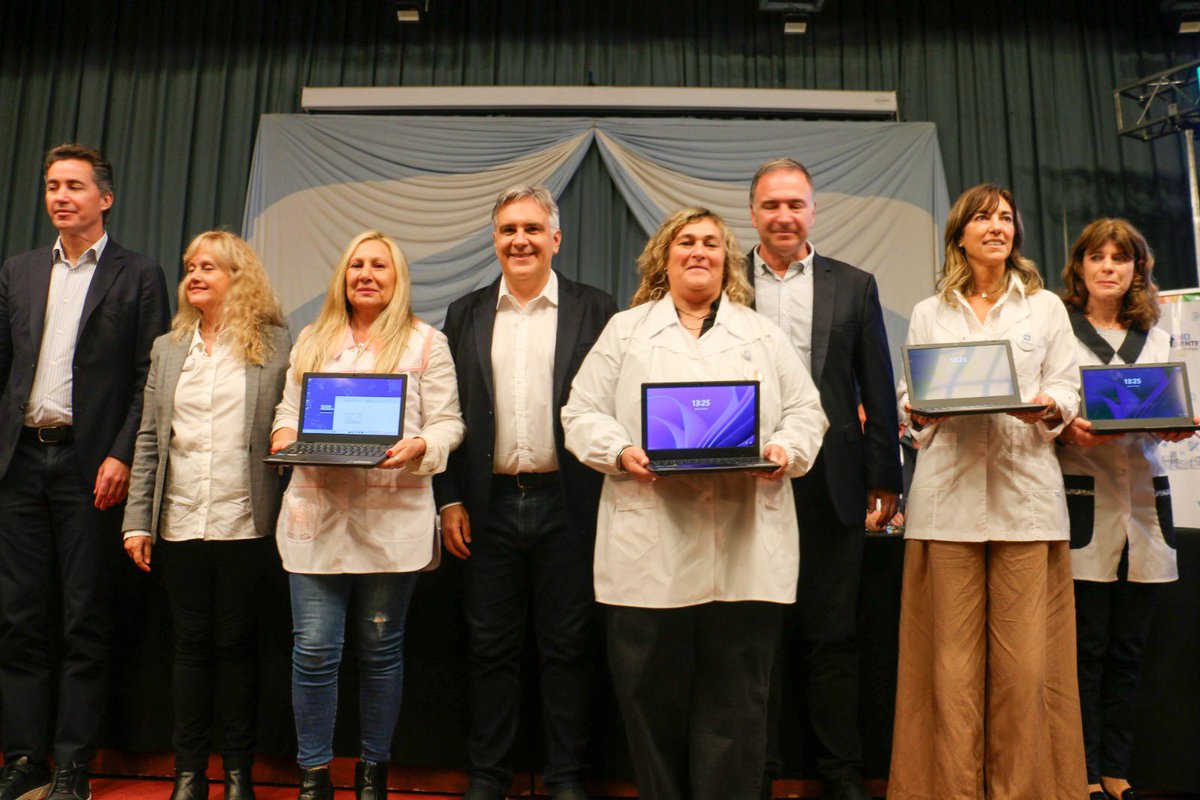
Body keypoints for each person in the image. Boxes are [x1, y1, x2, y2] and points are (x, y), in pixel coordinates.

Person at [561, 207, 828, 800]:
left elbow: (807, 412)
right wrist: (622, 449)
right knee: (649, 699)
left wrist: (784, 449)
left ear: (726, 258)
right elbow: (580, 413)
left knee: (737, 705)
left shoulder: (762, 333)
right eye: (686, 241)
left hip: (743, 548)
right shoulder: (625, 331)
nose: (698, 251)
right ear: (665, 255)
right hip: (648, 546)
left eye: (711, 242)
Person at [888, 184, 1087, 799]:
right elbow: (908, 395)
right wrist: (917, 413)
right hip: (946, 506)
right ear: (961, 234)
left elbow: (1068, 386)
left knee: (1026, 670)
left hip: (1026, 503)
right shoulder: (930, 311)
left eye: (1005, 218)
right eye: (983, 217)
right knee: (949, 670)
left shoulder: (1046, 308)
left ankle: (1024, 791)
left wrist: (1050, 405)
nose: (996, 226)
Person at [433, 185, 617, 800]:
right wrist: (449, 498)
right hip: (486, 506)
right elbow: (444, 409)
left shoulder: (597, 310)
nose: (520, 240)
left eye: (533, 229)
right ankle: (489, 776)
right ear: (494, 239)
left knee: (568, 648)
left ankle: (566, 777)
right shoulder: (465, 313)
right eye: (509, 229)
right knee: (488, 648)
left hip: (571, 502)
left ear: (555, 239)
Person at [0, 144, 170, 800]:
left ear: (106, 198)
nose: (60, 196)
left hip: (87, 467)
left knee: (83, 620)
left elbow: (146, 379)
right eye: (51, 185)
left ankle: (73, 765)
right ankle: (24, 759)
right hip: (20, 466)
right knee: (18, 619)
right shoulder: (17, 272)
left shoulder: (139, 275)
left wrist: (122, 452)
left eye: (74, 185)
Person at [269, 231, 464, 800]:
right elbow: (287, 409)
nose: (366, 274)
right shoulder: (312, 338)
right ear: (343, 276)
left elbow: (449, 421)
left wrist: (422, 445)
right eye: (357, 264)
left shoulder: (427, 342)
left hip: (393, 509)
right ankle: (313, 775)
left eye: (380, 265)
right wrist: (285, 437)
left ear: (397, 277)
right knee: (313, 650)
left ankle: (373, 774)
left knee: (380, 651)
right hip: (317, 509)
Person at [745, 157, 902, 800]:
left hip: (833, 483)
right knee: (758, 639)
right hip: (747, 479)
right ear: (753, 211)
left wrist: (884, 476)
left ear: (813, 210)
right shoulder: (726, 281)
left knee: (832, 637)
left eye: (795, 204)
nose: (784, 216)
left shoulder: (854, 284)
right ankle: (758, 773)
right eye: (771, 205)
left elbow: (876, 388)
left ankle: (840, 776)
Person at [121, 231, 291, 800]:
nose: (194, 276)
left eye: (209, 267)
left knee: (238, 645)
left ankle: (238, 774)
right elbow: (150, 440)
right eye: (190, 266)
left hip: (245, 520)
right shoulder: (169, 349)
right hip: (179, 519)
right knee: (190, 645)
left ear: (238, 278)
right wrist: (137, 520)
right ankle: (190, 774)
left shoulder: (275, 345)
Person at [1055, 219, 1197, 800]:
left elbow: (1173, 409)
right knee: (1084, 651)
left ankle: (1117, 770)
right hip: (1084, 501)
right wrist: (1068, 431)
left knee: (1130, 651)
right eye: (1097, 257)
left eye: (1121, 258)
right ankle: (1083, 772)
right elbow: (1049, 415)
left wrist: (1175, 429)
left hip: (1143, 501)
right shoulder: (1060, 330)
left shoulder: (1157, 337)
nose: (1109, 267)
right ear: (1080, 267)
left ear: (1139, 269)